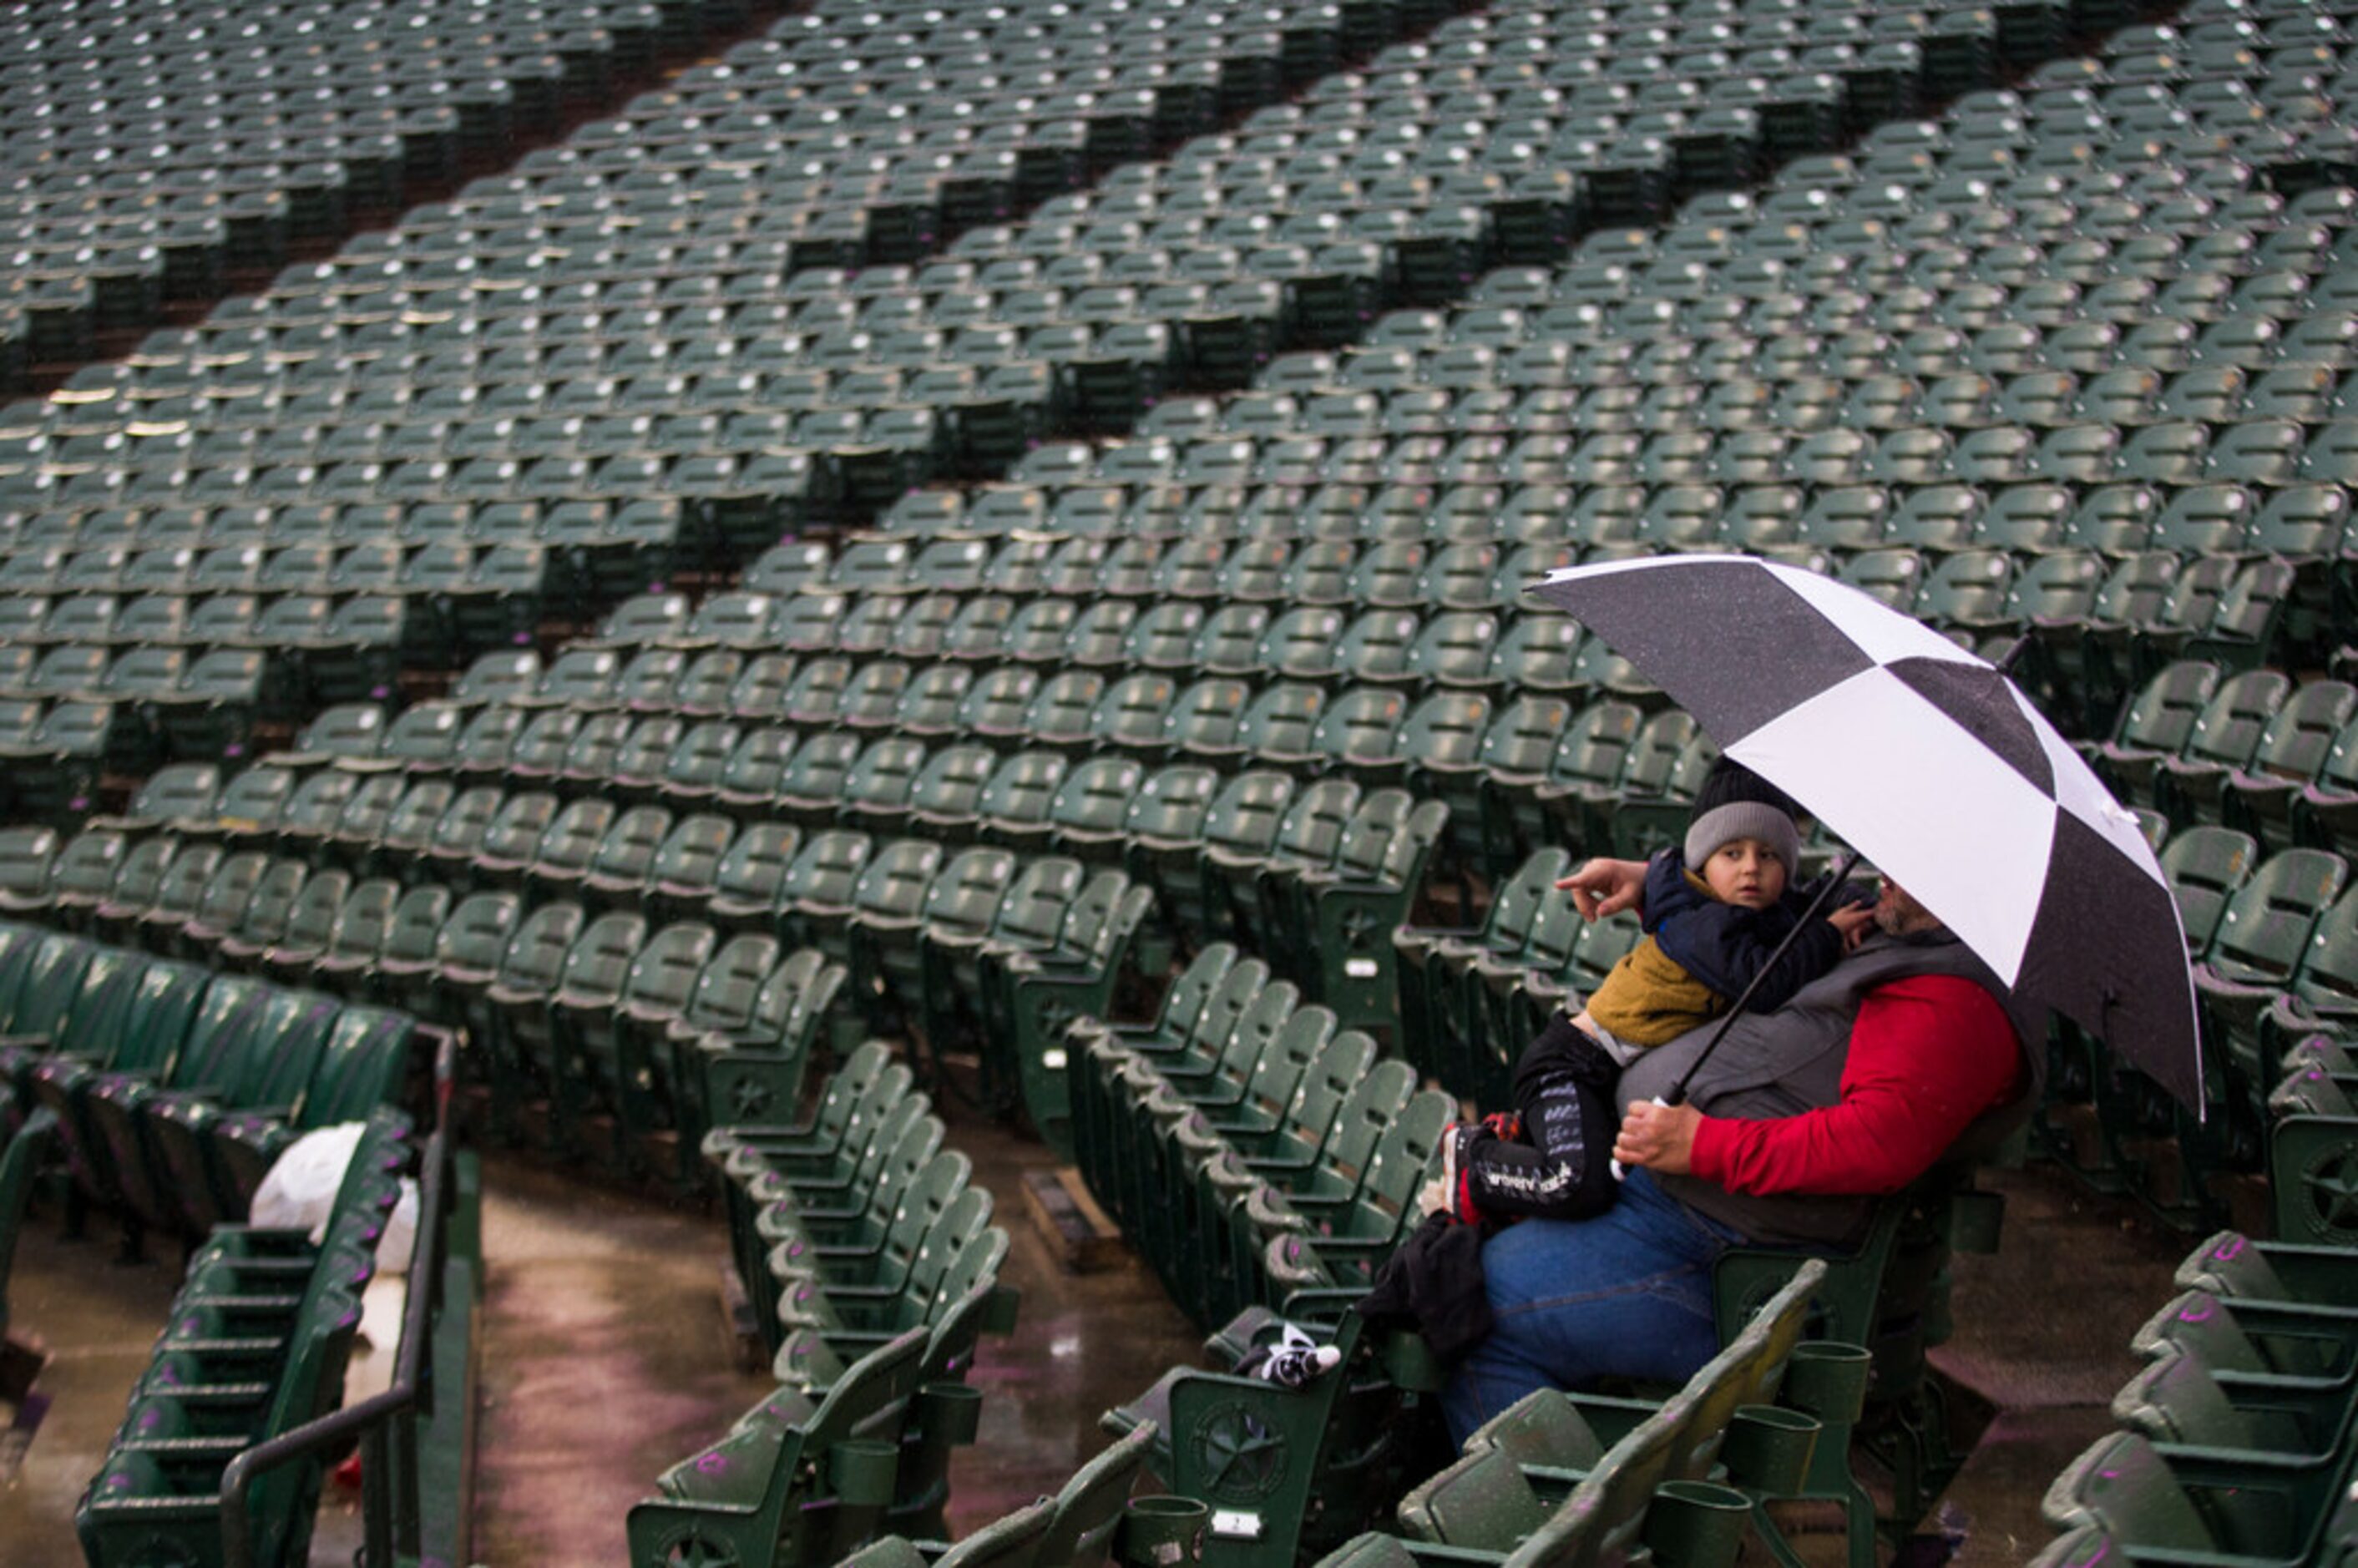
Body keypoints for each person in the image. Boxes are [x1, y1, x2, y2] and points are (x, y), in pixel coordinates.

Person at [1440, 856, 2040, 1444]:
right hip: (1675, 1204)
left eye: (1915, 856)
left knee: (1465, 1308)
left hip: (1723, 1254)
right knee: (1450, 1258)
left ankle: (1569, 1532)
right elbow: (1787, 905)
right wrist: (1656, 883)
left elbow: (1875, 1145)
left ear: (1969, 876)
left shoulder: (1955, 1003)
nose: (1886, 867)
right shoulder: (1912, 928)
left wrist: (1704, 1144)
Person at [1426, 760, 1875, 1227]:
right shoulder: (1699, 926)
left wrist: (1854, 904)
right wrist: (1825, 935)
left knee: (1603, 1181)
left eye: (1769, 855)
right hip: (1572, 1065)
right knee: (1577, 1184)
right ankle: (1475, 1157)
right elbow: (1760, 984)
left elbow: (1811, 901)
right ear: (1702, 861)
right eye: (1732, 853)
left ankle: (1511, 1145)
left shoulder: (1757, 911)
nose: (1751, 869)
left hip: (1604, 1076)